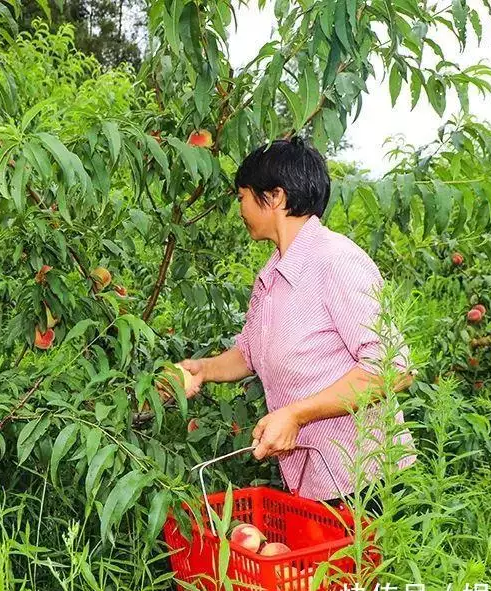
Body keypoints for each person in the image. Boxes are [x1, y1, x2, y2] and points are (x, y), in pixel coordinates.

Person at [177, 137, 416, 513]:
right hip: (314, 484)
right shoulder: (272, 274)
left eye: (242, 196)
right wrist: (202, 369)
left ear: (274, 197)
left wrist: (296, 414)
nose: (239, 208)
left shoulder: (335, 261)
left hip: (365, 482)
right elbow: (248, 353)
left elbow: (392, 369)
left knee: (362, 573)